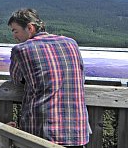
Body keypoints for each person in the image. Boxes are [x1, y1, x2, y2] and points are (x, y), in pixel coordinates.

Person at [8, 8, 89, 148]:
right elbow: (81, 75)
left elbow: (17, 79)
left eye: (15, 31)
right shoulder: (71, 43)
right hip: (77, 131)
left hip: (42, 132)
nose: (15, 36)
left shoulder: (21, 50)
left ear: (30, 28)